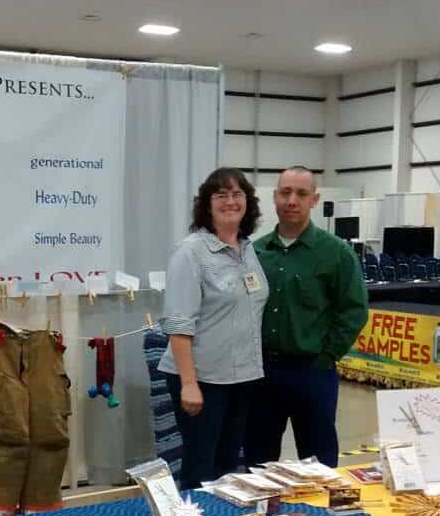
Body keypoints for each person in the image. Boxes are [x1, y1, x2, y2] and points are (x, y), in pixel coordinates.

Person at [244, 165, 368, 468]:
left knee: (318, 463)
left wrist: (326, 357)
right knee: (258, 460)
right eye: (285, 192)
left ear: (314, 199)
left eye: (301, 193)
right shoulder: (254, 253)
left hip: (313, 372)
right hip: (261, 374)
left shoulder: (336, 253)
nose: (292, 200)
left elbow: (354, 311)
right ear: (274, 197)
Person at [158, 167, 268, 490]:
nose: (230, 201)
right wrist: (189, 385)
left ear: (247, 202)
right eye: (221, 195)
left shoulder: (248, 250)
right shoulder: (191, 252)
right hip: (202, 379)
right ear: (207, 205)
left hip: (242, 377)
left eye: (237, 194)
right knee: (200, 466)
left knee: (227, 466)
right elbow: (179, 324)